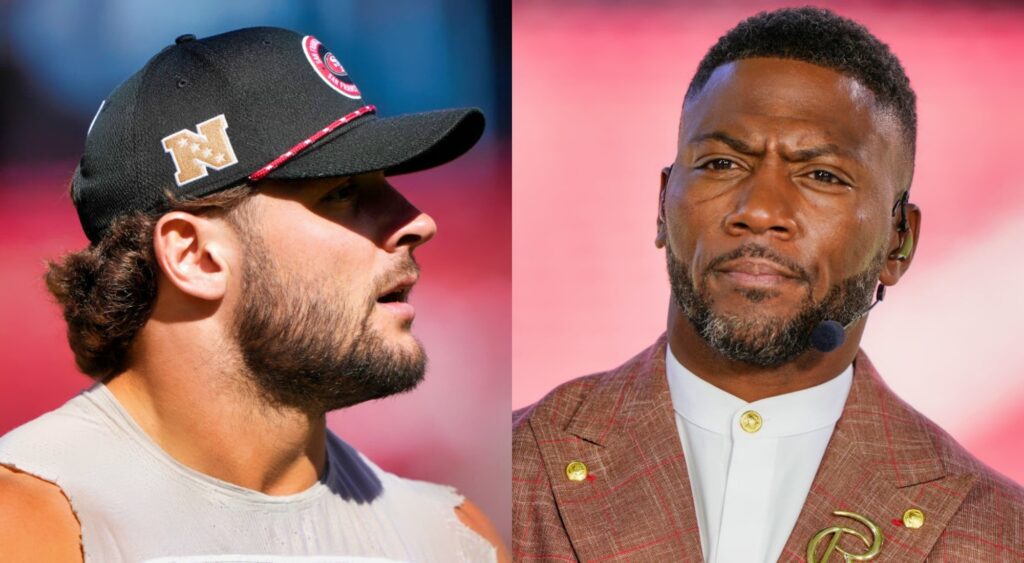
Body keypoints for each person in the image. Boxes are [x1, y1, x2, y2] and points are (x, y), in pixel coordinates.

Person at [512, 7, 1024, 562]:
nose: (759, 211)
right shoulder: (510, 472)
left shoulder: (997, 533)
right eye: (722, 163)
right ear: (662, 206)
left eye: (822, 175)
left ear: (898, 242)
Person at [0, 27, 508, 562]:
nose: (417, 222)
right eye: (340, 192)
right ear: (194, 256)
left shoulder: (454, 539)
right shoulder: (32, 523)